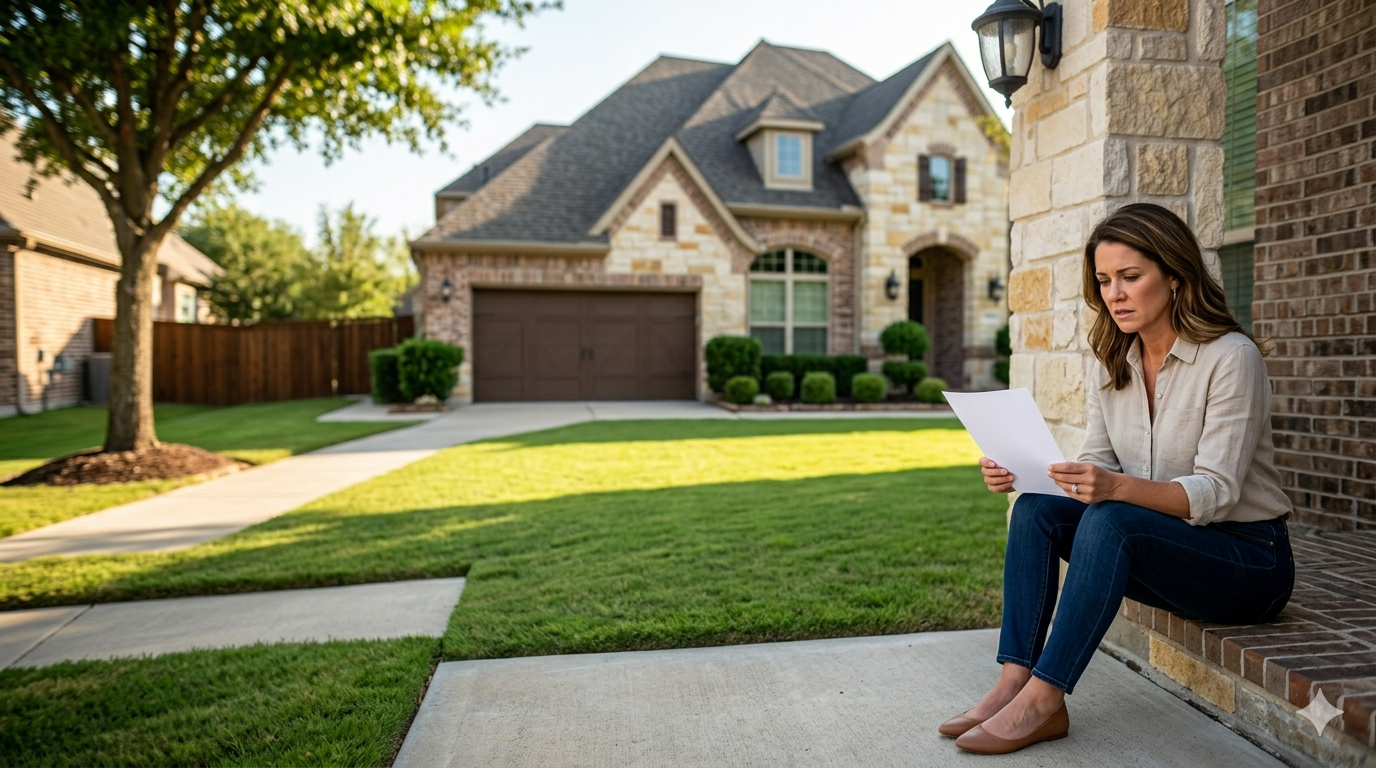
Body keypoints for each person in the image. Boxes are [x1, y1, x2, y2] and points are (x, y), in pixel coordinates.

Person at [942, 203, 1295, 755]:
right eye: (1105, 280)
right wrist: (1025, 473)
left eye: (1131, 277)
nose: (1115, 293)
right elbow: (1098, 468)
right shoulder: (1112, 361)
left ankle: (1044, 699)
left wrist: (1112, 489)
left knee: (1113, 518)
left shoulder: (1231, 357)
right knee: (1036, 511)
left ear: (1175, 276)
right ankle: (1013, 681)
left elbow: (1217, 492)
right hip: (1161, 542)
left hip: (1248, 560)